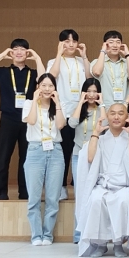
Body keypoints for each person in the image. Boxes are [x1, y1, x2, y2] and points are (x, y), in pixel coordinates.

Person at [75, 103, 129, 258]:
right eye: (112, 113)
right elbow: (89, 158)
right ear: (107, 117)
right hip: (104, 186)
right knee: (95, 200)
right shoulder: (100, 139)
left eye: (120, 113)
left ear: (127, 117)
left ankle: (117, 244)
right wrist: (95, 132)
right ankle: (99, 244)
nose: (116, 117)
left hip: (124, 187)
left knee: (125, 200)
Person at [0, 39, 44, 200]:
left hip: (28, 119)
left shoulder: (33, 73)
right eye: (15, 49)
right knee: (4, 155)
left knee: (26, 157)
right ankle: (2, 191)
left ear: (27, 53)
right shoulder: (3, 72)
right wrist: (2, 55)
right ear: (11, 52)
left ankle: (24, 191)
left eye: (23, 49)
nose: (19, 52)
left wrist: (37, 58)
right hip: (8, 119)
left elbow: (44, 79)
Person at [47, 29, 91, 201]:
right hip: (63, 112)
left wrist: (85, 56)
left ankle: (81, 185)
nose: (71, 44)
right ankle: (62, 186)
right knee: (64, 150)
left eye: (74, 41)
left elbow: (89, 78)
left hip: (81, 111)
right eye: (66, 41)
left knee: (80, 149)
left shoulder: (82, 61)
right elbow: (52, 76)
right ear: (61, 43)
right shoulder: (53, 61)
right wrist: (59, 53)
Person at [22, 73, 65, 246]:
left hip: (55, 151)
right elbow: (31, 121)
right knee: (34, 196)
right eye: (43, 85)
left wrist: (58, 103)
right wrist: (34, 99)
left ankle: (48, 234)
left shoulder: (57, 106)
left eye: (51, 86)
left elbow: (61, 125)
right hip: (35, 150)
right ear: (38, 86)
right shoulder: (28, 104)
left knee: (53, 198)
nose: (47, 89)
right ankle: (36, 234)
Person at [68, 78, 106, 243]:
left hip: (96, 156)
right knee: (80, 194)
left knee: (95, 193)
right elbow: (72, 123)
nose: (91, 94)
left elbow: (105, 125)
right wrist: (80, 102)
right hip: (78, 155)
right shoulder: (79, 109)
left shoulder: (101, 110)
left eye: (94, 91)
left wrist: (102, 103)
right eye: (88, 91)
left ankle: (94, 232)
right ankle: (79, 234)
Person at [91, 30, 129, 107]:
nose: (115, 45)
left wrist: (128, 54)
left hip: (125, 106)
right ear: (105, 44)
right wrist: (103, 51)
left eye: (118, 42)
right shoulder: (97, 62)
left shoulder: (127, 62)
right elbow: (97, 72)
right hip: (105, 105)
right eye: (111, 42)